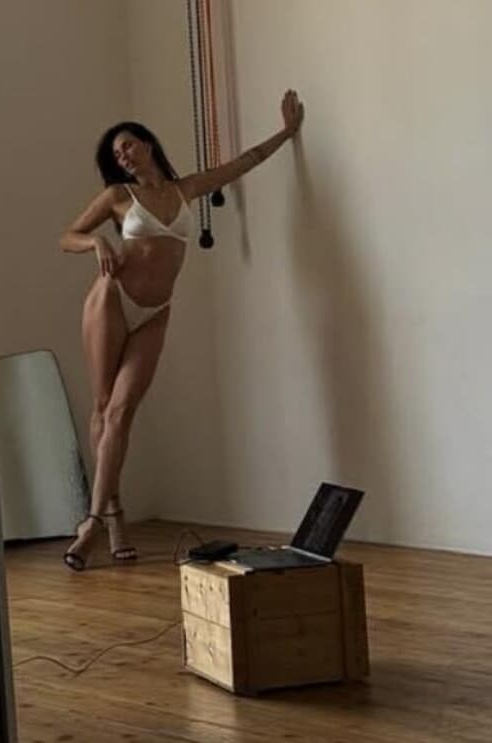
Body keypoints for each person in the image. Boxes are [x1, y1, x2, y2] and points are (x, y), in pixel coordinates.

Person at [60, 89, 305, 570]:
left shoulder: (184, 189)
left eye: (127, 146)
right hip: (112, 299)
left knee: (123, 411)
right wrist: (96, 243)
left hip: (156, 310)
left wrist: (287, 132)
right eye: (116, 154)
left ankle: (100, 518)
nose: (122, 156)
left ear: (147, 144)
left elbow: (243, 164)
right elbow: (67, 236)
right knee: (105, 407)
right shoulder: (117, 197)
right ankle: (102, 521)